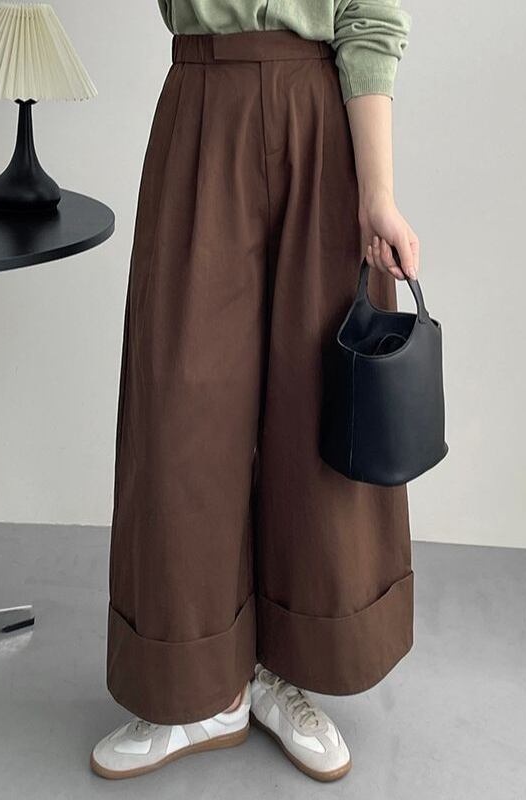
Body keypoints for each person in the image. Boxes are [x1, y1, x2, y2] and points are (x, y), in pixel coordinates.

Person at [92, 0, 418, 783]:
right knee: (182, 410)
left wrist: (377, 192)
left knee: (317, 407)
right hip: (202, 103)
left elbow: (369, 20)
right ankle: (195, 685)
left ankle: (286, 668)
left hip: (321, 115)